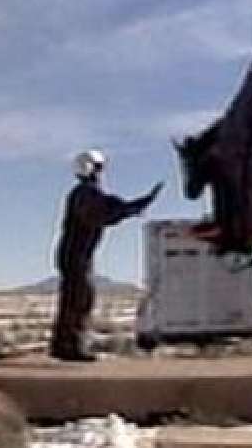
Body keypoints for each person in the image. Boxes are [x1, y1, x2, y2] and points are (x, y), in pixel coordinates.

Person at [49, 149, 162, 361]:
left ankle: (64, 345)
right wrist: (131, 207)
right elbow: (103, 211)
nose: (102, 173)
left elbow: (107, 207)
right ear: (92, 169)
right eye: (100, 168)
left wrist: (131, 207)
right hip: (77, 255)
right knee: (80, 298)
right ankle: (70, 347)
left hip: (75, 254)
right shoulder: (86, 193)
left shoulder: (85, 193)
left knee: (74, 298)